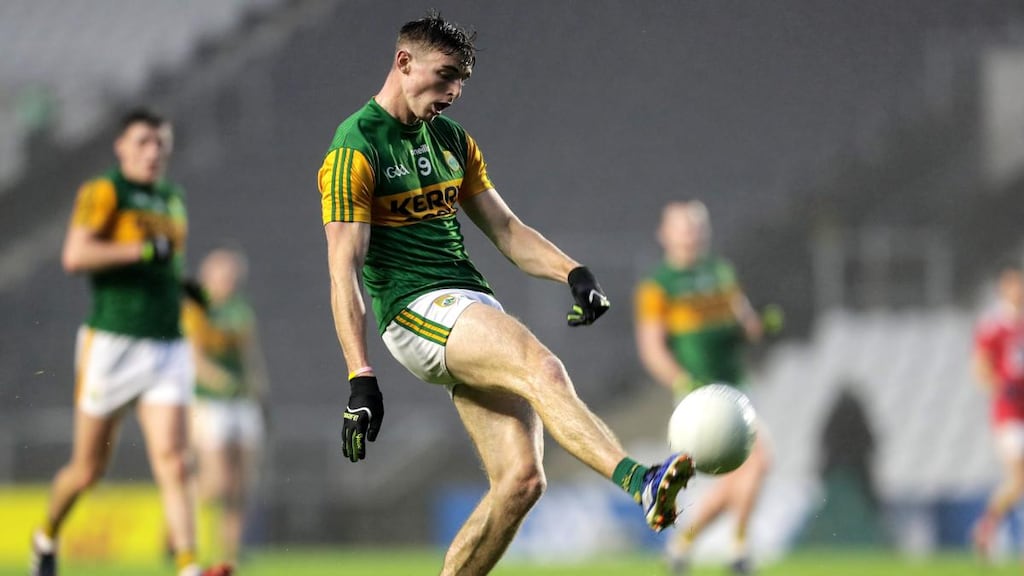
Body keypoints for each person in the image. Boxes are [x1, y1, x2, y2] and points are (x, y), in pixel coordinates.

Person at [316, 13, 693, 575]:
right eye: (444, 77)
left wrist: (574, 272)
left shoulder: (451, 141)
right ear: (403, 63)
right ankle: (640, 481)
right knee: (542, 368)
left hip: (469, 304)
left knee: (521, 482)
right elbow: (342, 269)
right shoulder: (355, 147)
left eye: (459, 83)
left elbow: (508, 230)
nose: (451, 93)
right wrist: (360, 376)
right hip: (416, 310)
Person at [30, 109, 231, 576]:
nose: (153, 151)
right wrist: (139, 249)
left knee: (176, 462)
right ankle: (46, 538)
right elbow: (75, 255)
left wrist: (188, 288)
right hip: (113, 343)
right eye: (143, 141)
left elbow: (165, 263)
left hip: (167, 345)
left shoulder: (172, 198)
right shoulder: (105, 191)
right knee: (86, 471)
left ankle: (187, 566)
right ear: (120, 146)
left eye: (161, 143)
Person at [634, 201, 771, 575]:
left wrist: (756, 325)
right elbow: (651, 347)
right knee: (757, 461)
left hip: (739, 386)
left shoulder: (720, 271)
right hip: (702, 395)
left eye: (697, 226)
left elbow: (744, 319)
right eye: (683, 227)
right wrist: (681, 380)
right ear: (665, 234)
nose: (691, 234)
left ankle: (686, 547)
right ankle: (738, 549)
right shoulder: (659, 285)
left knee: (748, 470)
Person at [182, 247, 269, 565]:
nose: (230, 283)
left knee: (241, 483)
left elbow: (249, 356)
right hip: (209, 402)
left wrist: (259, 390)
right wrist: (220, 380)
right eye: (224, 277)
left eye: (233, 278)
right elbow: (193, 358)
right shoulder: (196, 310)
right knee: (217, 481)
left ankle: (230, 551)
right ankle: (179, 524)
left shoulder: (239, 310)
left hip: (241, 402)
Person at [972, 264, 1024, 560]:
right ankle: (987, 527)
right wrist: (998, 387)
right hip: (1009, 413)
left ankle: (987, 528)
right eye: (1013, 284)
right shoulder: (994, 325)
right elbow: (980, 365)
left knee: (1018, 483)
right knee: (1018, 479)